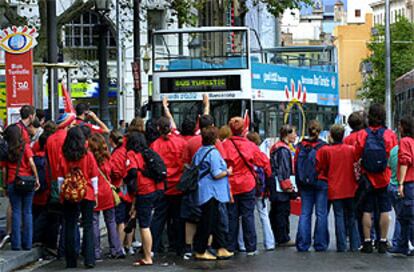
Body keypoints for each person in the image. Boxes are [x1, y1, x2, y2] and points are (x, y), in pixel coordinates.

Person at [222, 117, 271, 255]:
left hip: (230, 185)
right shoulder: (250, 145)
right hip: (247, 184)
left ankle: (231, 246)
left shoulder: (225, 145)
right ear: (244, 130)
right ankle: (251, 247)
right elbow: (264, 162)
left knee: (232, 216)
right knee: (248, 216)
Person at [355, 103, 398, 254]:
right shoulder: (389, 135)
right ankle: (382, 241)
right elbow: (393, 155)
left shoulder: (362, 134)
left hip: (368, 178)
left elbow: (357, 154)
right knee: (385, 209)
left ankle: (367, 242)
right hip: (384, 177)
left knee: (367, 210)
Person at [57, 126, 98, 268]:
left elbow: (60, 178)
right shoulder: (87, 155)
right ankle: (89, 259)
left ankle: (71, 261)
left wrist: (62, 193)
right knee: (88, 226)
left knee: (70, 225)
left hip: (69, 194)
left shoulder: (64, 155)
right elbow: (94, 177)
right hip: (87, 192)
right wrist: (96, 194)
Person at [192, 126, 233, 260]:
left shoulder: (200, 151)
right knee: (207, 223)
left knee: (211, 221)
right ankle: (201, 250)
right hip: (213, 192)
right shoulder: (213, 153)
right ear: (215, 139)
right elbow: (216, 174)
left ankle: (219, 247)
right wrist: (227, 172)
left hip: (203, 190)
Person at [317, 124, 360, 252]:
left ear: (331, 135)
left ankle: (341, 245)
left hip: (334, 188)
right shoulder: (352, 149)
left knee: (339, 216)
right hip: (351, 187)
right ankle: (355, 244)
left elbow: (321, 168)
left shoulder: (326, 151)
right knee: (352, 216)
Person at [150, 117, 187, 256]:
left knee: (159, 218)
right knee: (178, 218)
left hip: (161, 185)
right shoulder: (180, 142)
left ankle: (154, 246)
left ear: (159, 128)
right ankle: (179, 247)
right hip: (177, 185)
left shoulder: (155, 145)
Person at [2, 124, 39, 251]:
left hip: (13, 182)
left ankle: (16, 243)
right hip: (27, 181)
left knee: (16, 212)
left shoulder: (7, 150)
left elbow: (4, 169)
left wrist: (5, 185)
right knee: (28, 212)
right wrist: (36, 178)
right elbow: (32, 163)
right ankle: (28, 243)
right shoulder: (25, 147)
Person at [125, 132, 159, 266]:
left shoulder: (132, 154)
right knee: (146, 222)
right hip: (152, 188)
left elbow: (132, 171)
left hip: (142, 190)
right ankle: (147, 253)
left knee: (144, 226)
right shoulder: (146, 153)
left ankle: (147, 257)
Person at [295, 120, 329, 252]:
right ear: (320, 131)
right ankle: (320, 244)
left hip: (305, 183)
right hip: (321, 182)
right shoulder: (324, 147)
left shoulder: (301, 146)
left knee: (305, 213)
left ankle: (303, 244)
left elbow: (296, 166)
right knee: (321, 213)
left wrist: (299, 183)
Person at [89, 133, 124, 260]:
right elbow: (114, 171)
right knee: (111, 221)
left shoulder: (89, 158)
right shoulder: (107, 157)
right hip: (108, 192)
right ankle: (116, 249)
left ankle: (95, 251)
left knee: (94, 222)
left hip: (95, 192)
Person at [238, 132, 275, 251]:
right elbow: (269, 172)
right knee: (263, 215)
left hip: (246, 187)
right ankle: (270, 243)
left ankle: (242, 243)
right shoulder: (262, 155)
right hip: (260, 190)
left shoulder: (243, 155)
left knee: (244, 216)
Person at [388, 116, 414, 257]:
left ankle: (404, 244)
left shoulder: (404, 142)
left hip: (409, 182)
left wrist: (401, 183)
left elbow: (405, 161)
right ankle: (402, 244)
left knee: (407, 216)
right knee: (406, 216)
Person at [268, 125, 297, 248]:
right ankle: (283, 238)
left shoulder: (277, 147)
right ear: (287, 134)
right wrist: (288, 186)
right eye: (294, 133)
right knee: (282, 211)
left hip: (275, 184)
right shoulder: (283, 150)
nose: (295, 136)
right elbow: (284, 170)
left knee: (276, 210)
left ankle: (278, 236)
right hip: (281, 186)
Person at [32, 121, 57, 253]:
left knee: (36, 214)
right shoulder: (49, 156)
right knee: (49, 217)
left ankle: (35, 238)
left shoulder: (34, 152)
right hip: (47, 190)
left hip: (37, 191)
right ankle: (47, 242)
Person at [109, 130, 135, 256]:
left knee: (120, 220)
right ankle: (129, 246)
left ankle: (119, 247)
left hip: (119, 189)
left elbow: (115, 172)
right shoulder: (127, 152)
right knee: (129, 219)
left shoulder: (115, 155)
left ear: (111, 140)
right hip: (129, 190)